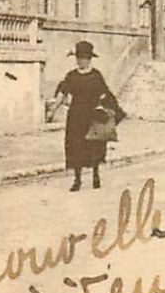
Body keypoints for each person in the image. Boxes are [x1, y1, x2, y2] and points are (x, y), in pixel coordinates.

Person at [46, 40, 125, 192]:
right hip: (75, 116)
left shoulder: (96, 76)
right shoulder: (72, 76)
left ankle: (96, 174)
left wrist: (107, 107)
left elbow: (105, 94)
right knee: (76, 147)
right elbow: (63, 92)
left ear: (89, 58)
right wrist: (53, 109)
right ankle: (77, 180)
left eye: (84, 58)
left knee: (94, 146)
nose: (81, 60)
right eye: (79, 58)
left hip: (92, 116)